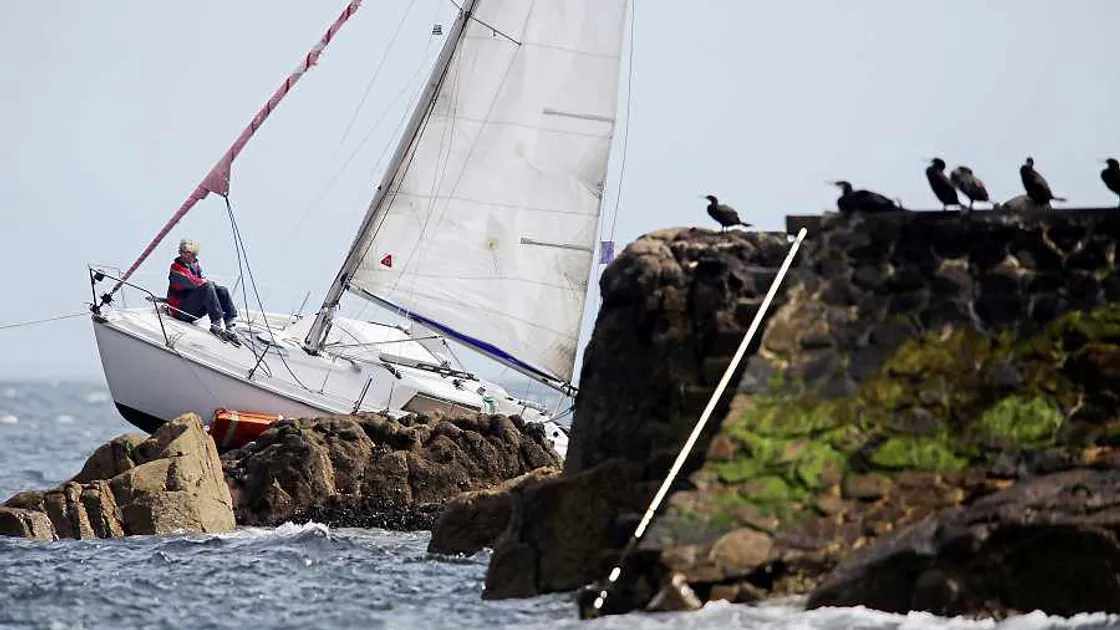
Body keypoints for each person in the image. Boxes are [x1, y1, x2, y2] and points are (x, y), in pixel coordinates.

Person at [167, 239, 240, 345]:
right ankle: (216, 324)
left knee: (222, 290)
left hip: (193, 311)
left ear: (193, 254)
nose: (183, 254)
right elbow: (192, 282)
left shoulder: (195, 266)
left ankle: (230, 325)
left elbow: (202, 282)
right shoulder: (176, 267)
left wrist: (212, 286)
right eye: (181, 251)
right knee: (208, 286)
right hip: (180, 311)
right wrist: (208, 283)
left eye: (186, 252)